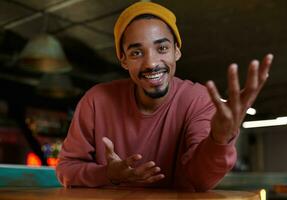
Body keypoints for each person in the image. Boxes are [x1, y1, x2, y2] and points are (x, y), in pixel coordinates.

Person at [56, 1, 273, 191]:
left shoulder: (198, 100)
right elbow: (66, 168)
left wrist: (219, 139)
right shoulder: (96, 101)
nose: (151, 63)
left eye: (162, 48)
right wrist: (108, 174)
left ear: (176, 51)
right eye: (136, 52)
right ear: (123, 59)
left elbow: (199, 181)